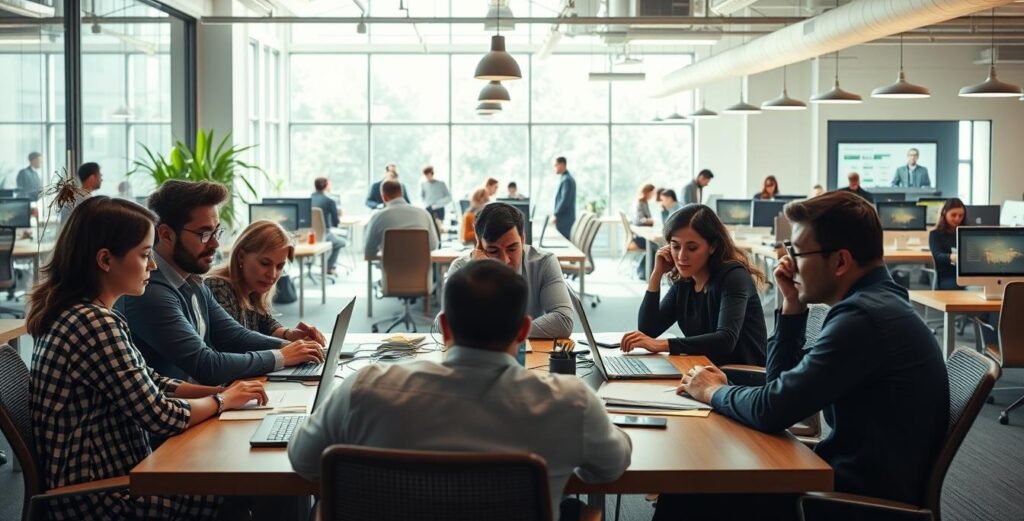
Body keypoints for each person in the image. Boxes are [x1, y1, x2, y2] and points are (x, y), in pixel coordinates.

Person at [674, 191, 948, 520]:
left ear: (841, 261)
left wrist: (711, 391)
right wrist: (792, 307)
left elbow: (770, 410)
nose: (788, 263)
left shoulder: (863, 321)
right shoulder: (879, 303)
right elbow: (779, 392)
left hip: (846, 502)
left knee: (689, 490)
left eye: (798, 252)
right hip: (837, 478)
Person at [288, 260, 631, 521]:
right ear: (525, 329)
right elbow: (610, 468)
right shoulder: (571, 403)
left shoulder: (362, 389)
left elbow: (303, 460)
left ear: (445, 325)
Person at [27, 196, 268, 520]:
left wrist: (220, 393)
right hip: (103, 497)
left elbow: (149, 381)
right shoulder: (93, 322)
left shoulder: (80, 312)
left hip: (117, 477)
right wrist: (223, 401)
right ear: (105, 260)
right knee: (247, 490)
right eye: (144, 255)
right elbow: (158, 414)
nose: (152, 265)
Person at [121, 180, 324, 385]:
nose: (215, 243)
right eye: (205, 234)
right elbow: (206, 365)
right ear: (166, 234)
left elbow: (234, 336)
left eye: (216, 232)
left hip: (203, 400)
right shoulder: (149, 292)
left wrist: (294, 347)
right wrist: (283, 356)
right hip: (179, 410)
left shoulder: (192, 280)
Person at [623, 204, 768, 366]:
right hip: (704, 369)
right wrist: (656, 275)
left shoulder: (734, 277)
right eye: (675, 246)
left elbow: (725, 340)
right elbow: (648, 330)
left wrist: (663, 345)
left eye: (692, 248)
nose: (681, 256)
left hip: (741, 379)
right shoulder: (685, 281)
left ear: (712, 246)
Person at [440, 202, 573, 338]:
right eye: (493, 250)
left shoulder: (543, 262)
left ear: (523, 238)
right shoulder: (461, 268)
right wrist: (477, 275)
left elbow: (563, 320)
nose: (504, 260)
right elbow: (441, 325)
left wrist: (501, 333)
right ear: (479, 244)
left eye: (512, 248)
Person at [206, 220, 327, 344]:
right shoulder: (218, 287)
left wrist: (290, 335)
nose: (273, 274)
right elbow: (234, 343)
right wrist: (290, 348)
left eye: (280, 266)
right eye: (265, 263)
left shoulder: (252, 288)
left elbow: (266, 324)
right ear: (241, 256)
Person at [363, 179, 439, 258]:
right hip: (422, 269)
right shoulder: (424, 214)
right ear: (401, 194)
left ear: (384, 197)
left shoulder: (378, 217)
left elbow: (368, 252)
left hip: (391, 269)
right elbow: (433, 245)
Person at [311, 176, 347, 275]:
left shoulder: (307, 200)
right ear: (326, 185)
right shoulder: (330, 201)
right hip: (324, 233)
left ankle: (317, 263)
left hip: (308, 235)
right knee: (341, 242)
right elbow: (336, 223)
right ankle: (329, 267)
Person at [929, 198, 966, 290]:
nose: (957, 218)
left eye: (961, 215)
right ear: (944, 213)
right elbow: (937, 255)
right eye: (953, 215)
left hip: (967, 273)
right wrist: (952, 257)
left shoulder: (966, 232)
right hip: (948, 275)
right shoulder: (935, 234)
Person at [552, 156, 576, 240]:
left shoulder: (567, 180)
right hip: (565, 219)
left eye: (556, 165)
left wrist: (556, 214)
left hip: (565, 220)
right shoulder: (565, 178)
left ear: (562, 165)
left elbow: (564, 200)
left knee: (564, 241)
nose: (554, 167)